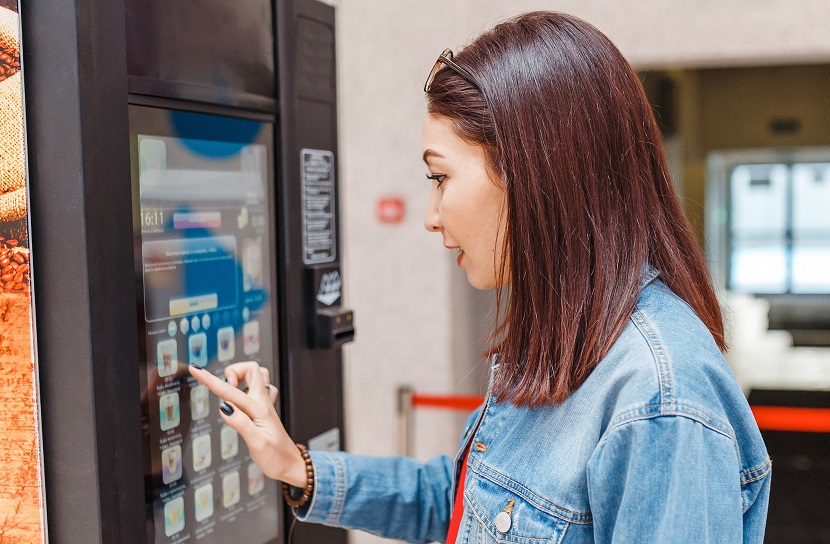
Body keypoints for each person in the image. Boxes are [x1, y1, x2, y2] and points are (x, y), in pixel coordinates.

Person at [189, 11, 771, 543]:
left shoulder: (659, 398)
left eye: (439, 178)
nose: (431, 217)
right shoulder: (565, 334)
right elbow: (472, 501)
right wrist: (298, 466)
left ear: (531, 173)